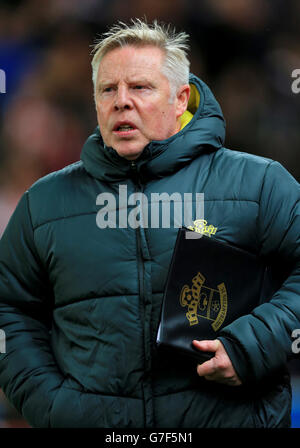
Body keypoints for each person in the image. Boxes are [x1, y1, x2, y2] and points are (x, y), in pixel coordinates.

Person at [0, 19, 299, 428]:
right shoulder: (44, 203)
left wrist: (255, 345)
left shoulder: (260, 184)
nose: (121, 101)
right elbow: (8, 309)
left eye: (140, 87)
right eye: (108, 89)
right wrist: (50, 404)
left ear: (181, 100)